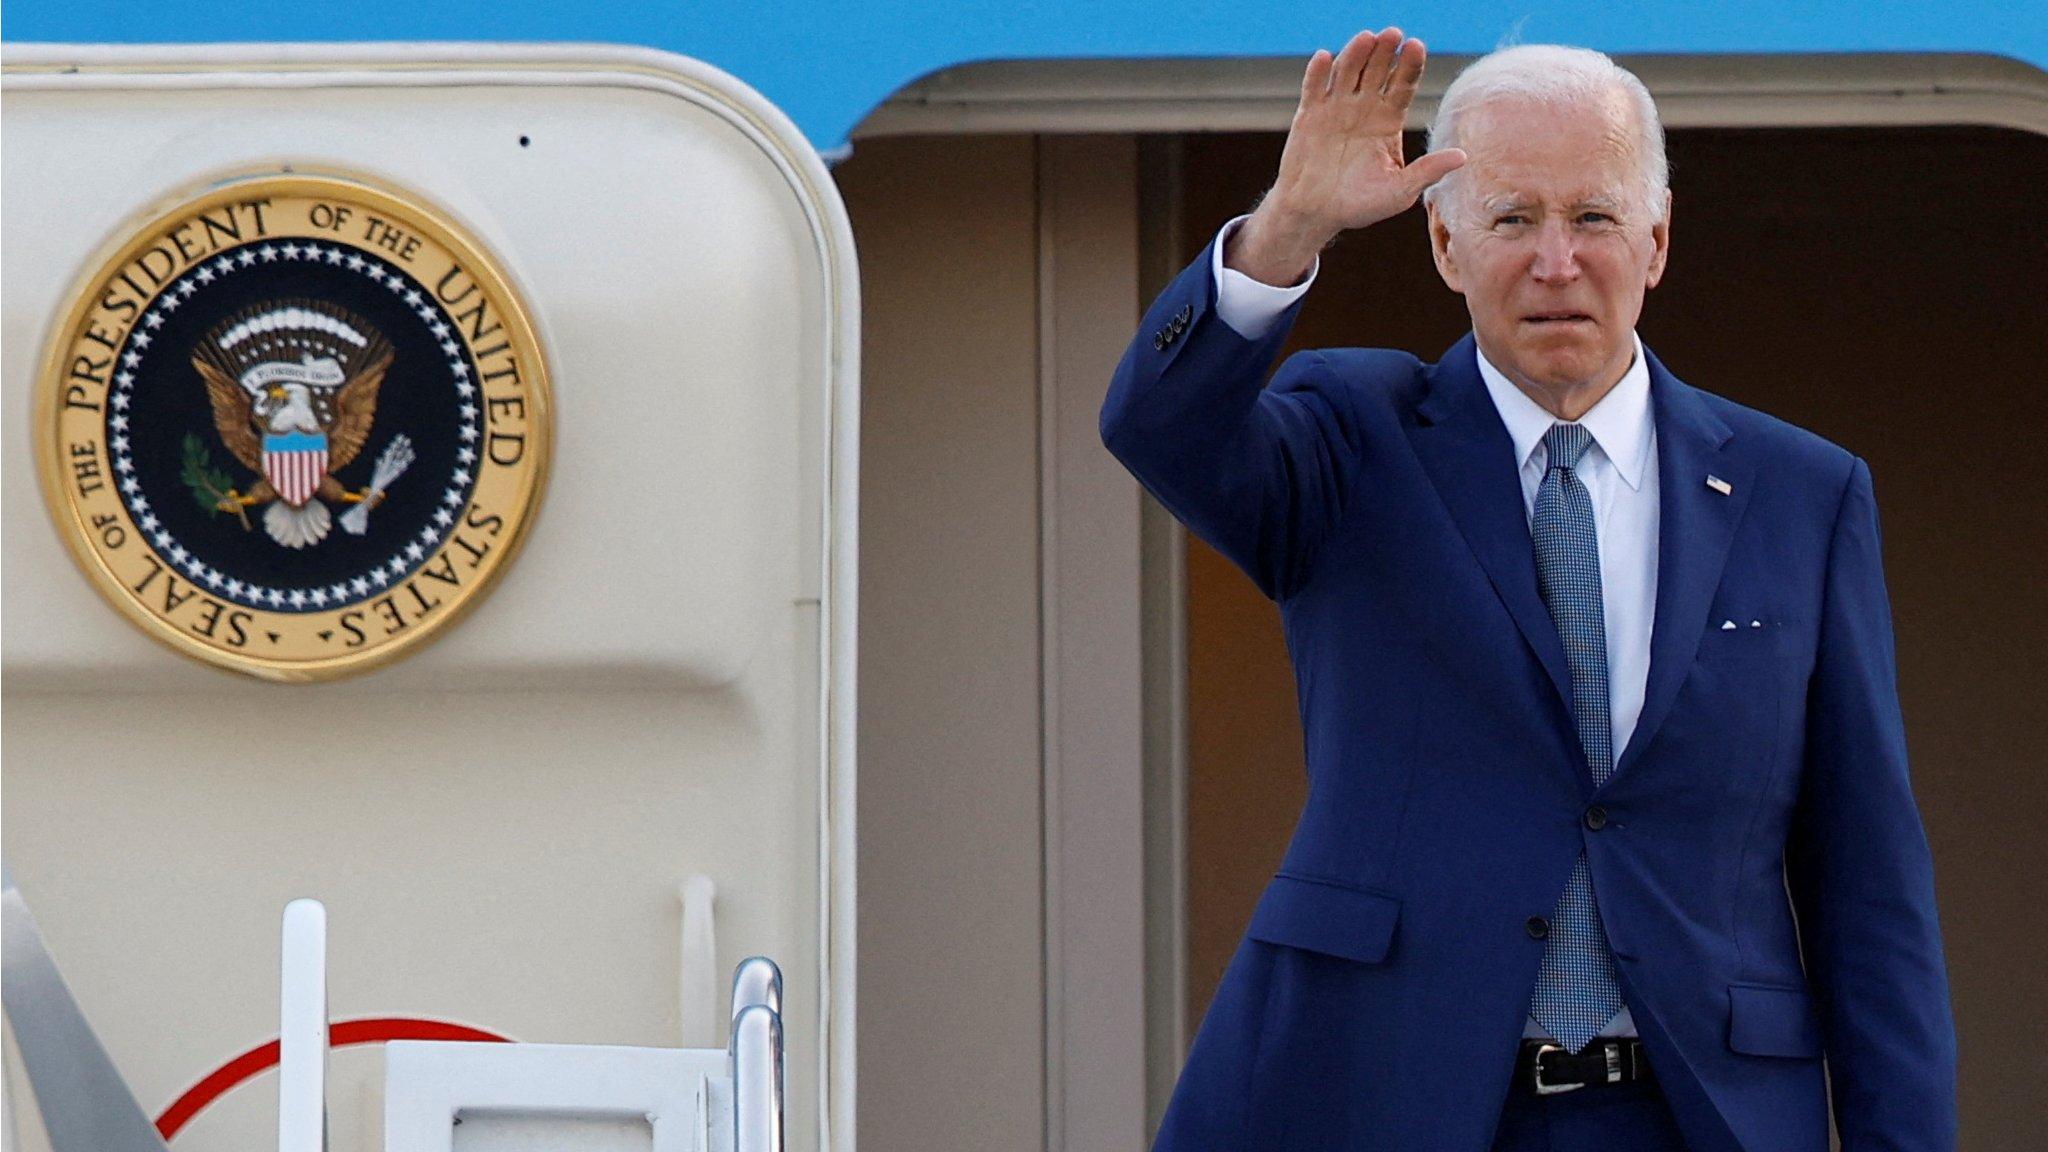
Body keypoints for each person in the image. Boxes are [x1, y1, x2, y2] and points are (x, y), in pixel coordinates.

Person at [1100, 30, 1956, 1152]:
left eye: (1592, 218)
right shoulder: (1351, 439)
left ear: (1653, 242)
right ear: (1445, 244)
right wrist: (1285, 230)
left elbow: (1866, 884)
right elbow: (1155, 427)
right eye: (1510, 220)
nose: (1555, 261)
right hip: (1381, 1098)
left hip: (1695, 1112)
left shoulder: (1801, 492)